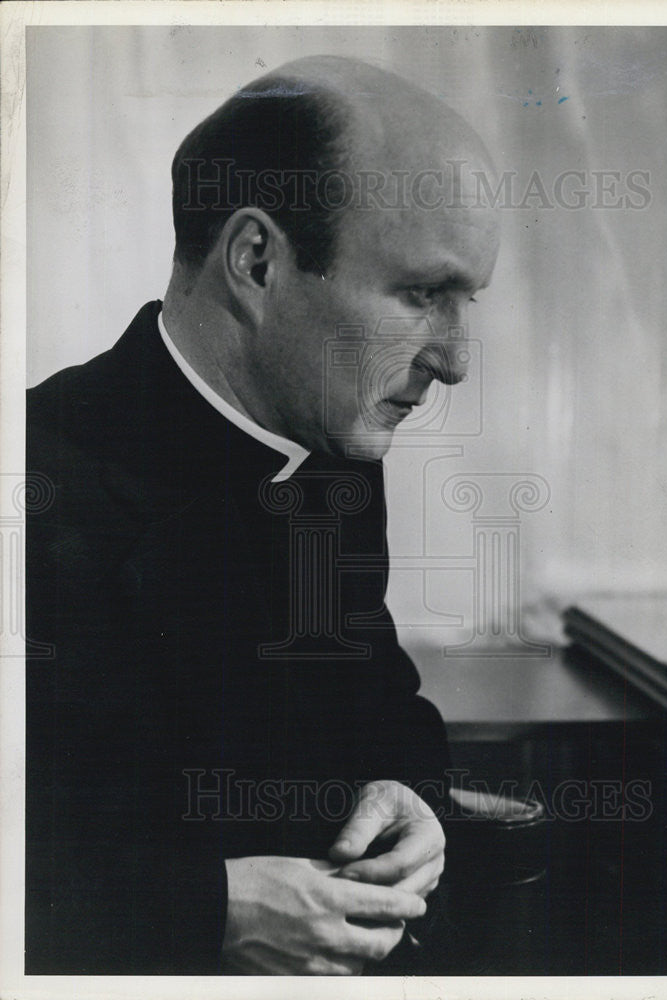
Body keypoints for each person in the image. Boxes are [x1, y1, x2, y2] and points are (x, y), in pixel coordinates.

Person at [26, 54, 500, 975]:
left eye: (465, 301)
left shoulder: (333, 450)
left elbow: (382, 704)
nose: (455, 362)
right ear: (256, 260)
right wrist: (212, 907)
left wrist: (416, 803)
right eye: (419, 295)